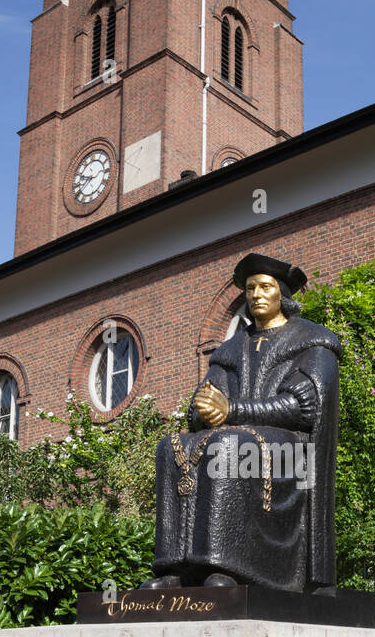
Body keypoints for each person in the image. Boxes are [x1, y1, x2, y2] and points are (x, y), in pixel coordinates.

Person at [145, 252, 341, 593]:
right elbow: (202, 401)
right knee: (171, 447)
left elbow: (303, 406)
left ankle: (228, 567)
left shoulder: (313, 340)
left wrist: (231, 410)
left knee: (228, 445)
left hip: (292, 448)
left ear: (282, 293)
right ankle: (178, 570)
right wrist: (202, 411)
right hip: (242, 435)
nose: (256, 295)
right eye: (250, 289)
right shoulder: (230, 350)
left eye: (265, 287)